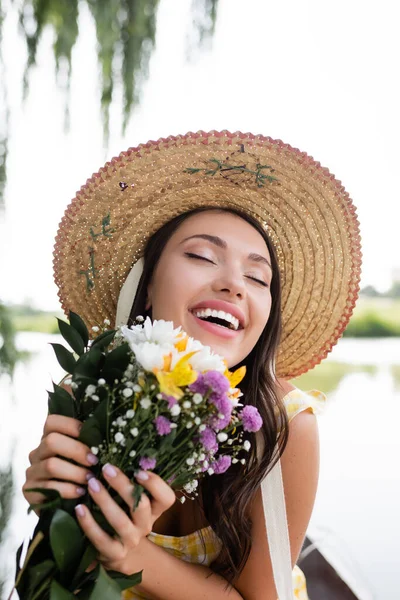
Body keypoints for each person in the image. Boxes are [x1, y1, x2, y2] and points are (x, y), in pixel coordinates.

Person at [23, 131, 361, 599]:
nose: (233, 285)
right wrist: (53, 513)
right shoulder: (88, 394)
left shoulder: (286, 425)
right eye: (202, 256)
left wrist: (132, 555)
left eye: (257, 277)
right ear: (145, 283)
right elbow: (45, 581)